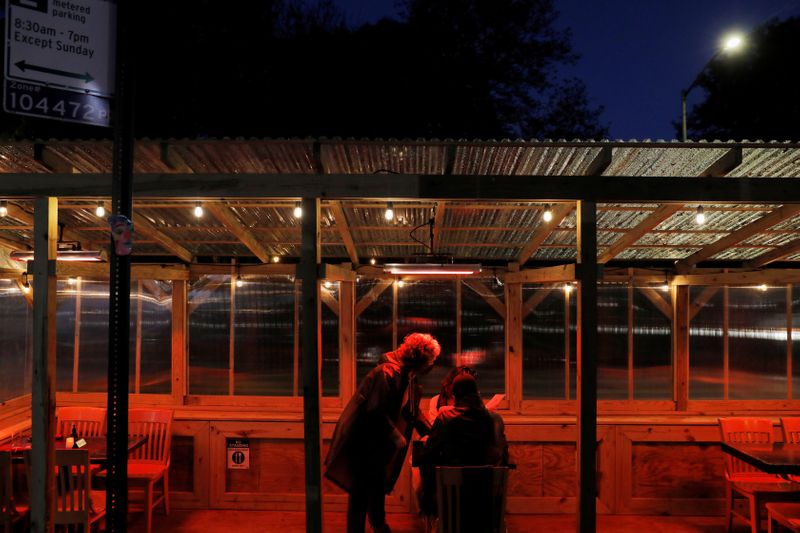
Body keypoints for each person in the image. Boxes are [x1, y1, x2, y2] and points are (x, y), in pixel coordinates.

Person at [325, 332, 441, 533]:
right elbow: (375, 410)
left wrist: (431, 431)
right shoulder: (387, 373)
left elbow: (410, 410)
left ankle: (379, 526)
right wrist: (397, 436)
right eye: (430, 361)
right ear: (420, 360)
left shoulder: (404, 374)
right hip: (364, 442)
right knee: (360, 492)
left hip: (375, 443)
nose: (431, 366)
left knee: (375, 488)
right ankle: (365, 528)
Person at [416, 372, 509, 520]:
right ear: (477, 392)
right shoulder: (494, 420)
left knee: (425, 468)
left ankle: (429, 511)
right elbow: (503, 454)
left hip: (452, 497)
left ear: (454, 395)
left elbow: (429, 453)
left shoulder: (445, 418)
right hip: (485, 498)